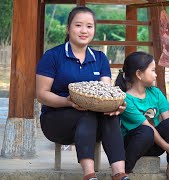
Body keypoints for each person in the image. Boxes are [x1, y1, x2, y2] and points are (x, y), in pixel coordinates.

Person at [36, 6, 129, 180]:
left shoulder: (100, 58)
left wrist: (117, 106)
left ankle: (119, 173)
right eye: (78, 25)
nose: (84, 30)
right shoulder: (53, 56)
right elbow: (41, 94)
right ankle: (89, 174)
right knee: (86, 115)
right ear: (68, 28)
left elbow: (104, 94)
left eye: (89, 26)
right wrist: (68, 102)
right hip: (56, 121)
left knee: (109, 115)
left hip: (94, 125)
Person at [115, 51, 169, 180]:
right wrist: (167, 147)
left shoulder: (155, 92)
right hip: (134, 145)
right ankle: (125, 171)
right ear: (139, 74)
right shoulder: (126, 99)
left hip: (155, 145)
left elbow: (168, 119)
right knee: (146, 131)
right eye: (153, 70)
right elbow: (147, 127)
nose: (155, 75)